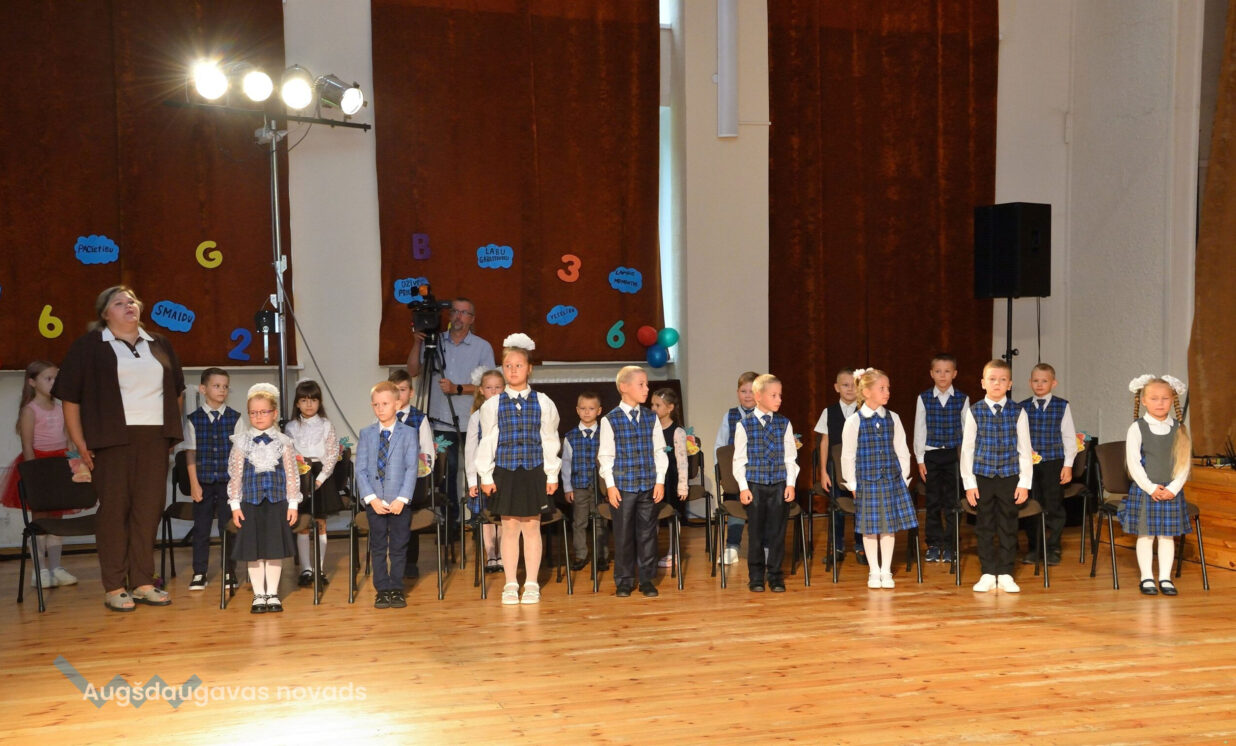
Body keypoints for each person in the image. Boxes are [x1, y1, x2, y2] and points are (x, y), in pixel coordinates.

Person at [54, 285, 186, 613]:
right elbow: (70, 399)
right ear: (105, 313)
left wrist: (170, 431)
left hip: (154, 438)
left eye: (132, 301)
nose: (129, 306)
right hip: (110, 438)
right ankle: (114, 585)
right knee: (114, 511)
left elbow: (177, 391)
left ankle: (142, 581)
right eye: (119, 302)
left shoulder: (160, 343)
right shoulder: (89, 346)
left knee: (148, 510)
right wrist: (80, 443)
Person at [475, 334, 561, 605]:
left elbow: (550, 439)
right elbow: (488, 441)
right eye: (508, 366)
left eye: (519, 365)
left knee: (532, 527)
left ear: (529, 368)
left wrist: (552, 474)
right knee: (510, 527)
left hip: (534, 470)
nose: (513, 370)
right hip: (506, 471)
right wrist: (486, 475)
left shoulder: (543, 402)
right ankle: (511, 582)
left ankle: (532, 582)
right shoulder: (493, 404)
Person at [406, 297, 496, 537]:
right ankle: (450, 524)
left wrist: (458, 388)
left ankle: (480, 520)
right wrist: (416, 343)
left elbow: (491, 386)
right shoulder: (433, 342)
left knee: (479, 470)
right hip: (440, 420)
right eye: (455, 311)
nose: (458, 316)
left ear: (472, 319)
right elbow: (413, 370)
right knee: (447, 473)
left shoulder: (482, 347)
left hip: (473, 420)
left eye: (464, 313)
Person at [1, 361, 81, 588]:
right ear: (32, 382)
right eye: (48, 379)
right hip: (39, 466)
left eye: (56, 378)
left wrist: (75, 465)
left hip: (60, 465)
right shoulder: (30, 410)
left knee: (57, 518)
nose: (54, 383)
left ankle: (56, 567)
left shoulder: (62, 407)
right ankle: (40, 570)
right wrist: (34, 478)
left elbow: (69, 441)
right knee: (40, 519)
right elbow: (27, 446)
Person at [840, 368, 917, 589]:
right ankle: (874, 570)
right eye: (882, 388)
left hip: (891, 480)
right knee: (870, 527)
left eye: (888, 388)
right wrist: (852, 484)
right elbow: (848, 455)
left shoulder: (893, 418)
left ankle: (886, 570)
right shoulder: (854, 421)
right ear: (866, 391)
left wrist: (903, 477)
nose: (887, 392)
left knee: (888, 527)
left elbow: (902, 450)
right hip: (867, 482)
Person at [961, 359, 1033, 593]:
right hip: (982, 477)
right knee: (984, 525)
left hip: (1009, 477)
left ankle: (1005, 572)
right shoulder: (974, 411)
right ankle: (987, 572)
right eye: (992, 379)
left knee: (1008, 525)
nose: (997, 383)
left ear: (1009, 384)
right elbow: (968, 449)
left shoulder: (1018, 412)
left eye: (1002, 380)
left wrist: (1024, 482)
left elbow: (1025, 449)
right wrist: (969, 483)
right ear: (983, 383)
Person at [227, 384, 301, 614]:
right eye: (253, 412)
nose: (258, 417)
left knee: (274, 550)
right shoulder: (242, 442)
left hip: (277, 502)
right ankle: (259, 594)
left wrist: (293, 504)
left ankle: (273, 594)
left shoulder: (283, 442)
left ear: (274, 413)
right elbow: (235, 475)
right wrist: (235, 505)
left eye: (263, 412)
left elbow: (291, 475)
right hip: (250, 503)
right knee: (255, 551)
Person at [1120, 375, 1192, 597]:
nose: (1160, 403)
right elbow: (1133, 463)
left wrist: (1173, 488)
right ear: (1144, 401)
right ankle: (1146, 577)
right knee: (1146, 534)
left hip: (1171, 491)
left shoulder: (1179, 428)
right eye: (1154, 398)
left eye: (1165, 398)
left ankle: (1165, 578)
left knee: (1166, 536)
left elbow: (1184, 463)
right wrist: (1150, 488)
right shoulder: (1137, 428)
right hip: (1146, 491)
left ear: (1172, 400)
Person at [599, 366, 668, 598]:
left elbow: (659, 451)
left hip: (648, 484)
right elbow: (606, 456)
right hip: (623, 487)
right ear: (624, 387)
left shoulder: (651, 417)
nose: (646, 389)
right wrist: (610, 485)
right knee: (623, 535)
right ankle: (624, 580)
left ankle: (647, 579)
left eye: (647, 384)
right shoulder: (610, 420)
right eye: (641, 384)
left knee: (648, 534)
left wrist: (659, 481)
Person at [356, 381, 421, 609]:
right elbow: (360, 469)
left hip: (399, 502)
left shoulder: (409, 434)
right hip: (375, 502)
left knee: (399, 546)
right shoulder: (366, 434)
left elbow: (412, 468)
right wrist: (371, 498)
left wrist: (402, 499)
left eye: (385, 404)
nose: (380, 408)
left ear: (398, 404)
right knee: (378, 546)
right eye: (376, 404)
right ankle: (382, 589)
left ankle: (396, 588)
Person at [733, 374, 798, 593]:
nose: (779, 399)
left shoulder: (784, 423)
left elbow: (790, 457)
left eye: (780, 395)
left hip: (779, 484)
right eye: (774, 395)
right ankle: (756, 576)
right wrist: (743, 487)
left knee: (777, 533)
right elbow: (739, 460)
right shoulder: (744, 425)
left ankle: (776, 575)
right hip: (755, 485)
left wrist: (790, 484)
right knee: (756, 534)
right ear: (758, 396)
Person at [181, 367, 243, 592]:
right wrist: (194, 484)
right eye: (216, 386)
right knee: (201, 528)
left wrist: (237, 485)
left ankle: (229, 570)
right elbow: (190, 453)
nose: (222, 390)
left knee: (229, 527)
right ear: (203, 389)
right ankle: (200, 572)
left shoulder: (235, 418)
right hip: (203, 483)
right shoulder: (193, 419)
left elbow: (240, 454)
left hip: (228, 484)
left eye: (225, 386)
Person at [284, 379, 342, 588]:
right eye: (304, 400)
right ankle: (306, 569)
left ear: (319, 402)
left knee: (320, 522)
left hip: (321, 476)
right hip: (300, 475)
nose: (309, 404)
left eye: (313, 400)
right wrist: (300, 478)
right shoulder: (291, 427)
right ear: (297, 403)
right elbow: (289, 454)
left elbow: (332, 454)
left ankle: (319, 569)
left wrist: (320, 479)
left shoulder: (326, 425)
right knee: (303, 524)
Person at [1017, 364, 1077, 566]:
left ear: (1054, 383)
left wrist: (1068, 465)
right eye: (1036, 380)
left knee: (1053, 505)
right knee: (1031, 504)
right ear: (1030, 383)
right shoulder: (1022, 407)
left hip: (1054, 463)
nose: (1040, 384)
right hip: (1029, 465)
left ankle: (1053, 547)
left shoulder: (1062, 406)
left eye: (1044, 381)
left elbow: (1069, 437)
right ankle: (1034, 547)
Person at [914, 354, 969, 564]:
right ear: (931, 374)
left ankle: (951, 544)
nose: (942, 375)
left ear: (954, 374)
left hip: (954, 455)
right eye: (938, 371)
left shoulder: (962, 398)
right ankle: (934, 543)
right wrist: (920, 459)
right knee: (933, 501)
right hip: (932, 456)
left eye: (947, 371)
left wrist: (966, 461)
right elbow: (920, 429)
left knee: (953, 502)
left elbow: (967, 431)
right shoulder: (924, 398)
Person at [389, 368, 437, 579]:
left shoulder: (419, 419)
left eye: (402, 389)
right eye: (394, 390)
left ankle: (410, 562)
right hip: (389, 482)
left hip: (413, 481)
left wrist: (417, 475)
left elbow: (427, 453)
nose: (398, 394)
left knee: (409, 514)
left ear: (411, 392)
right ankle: (394, 560)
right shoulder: (382, 417)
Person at [813, 368, 864, 565]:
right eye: (845, 385)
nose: (850, 389)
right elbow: (824, 442)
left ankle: (861, 546)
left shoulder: (865, 410)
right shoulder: (829, 412)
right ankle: (837, 547)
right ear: (836, 387)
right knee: (837, 508)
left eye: (854, 385)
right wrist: (823, 471)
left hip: (859, 470)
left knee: (861, 507)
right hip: (835, 470)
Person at [713, 371, 759, 565]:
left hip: (759, 475)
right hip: (735, 475)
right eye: (743, 391)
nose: (747, 395)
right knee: (734, 503)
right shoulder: (730, 416)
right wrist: (721, 473)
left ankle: (762, 548)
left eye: (752, 391)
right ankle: (732, 547)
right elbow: (720, 446)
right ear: (737, 392)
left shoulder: (766, 416)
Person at [463, 368, 506, 573]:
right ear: (481, 390)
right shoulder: (476, 417)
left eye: (498, 387)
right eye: (489, 388)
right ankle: (491, 554)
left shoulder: (508, 413)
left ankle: (503, 554)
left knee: (504, 516)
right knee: (487, 516)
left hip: (505, 473)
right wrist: (473, 481)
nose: (494, 391)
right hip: (484, 475)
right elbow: (470, 451)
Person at [561, 391, 605, 573]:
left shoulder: (605, 435)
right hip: (579, 486)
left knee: (600, 521)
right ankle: (580, 554)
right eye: (583, 408)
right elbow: (566, 464)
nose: (587, 412)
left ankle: (601, 555)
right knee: (579, 522)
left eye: (591, 408)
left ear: (599, 411)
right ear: (577, 410)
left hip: (600, 487)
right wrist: (567, 488)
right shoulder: (570, 436)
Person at [651, 388, 688, 568]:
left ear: (670, 407)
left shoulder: (677, 431)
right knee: (653, 517)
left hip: (671, 481)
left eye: (658, 405)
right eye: (652, 404)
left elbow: (682, 462)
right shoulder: (652, 429)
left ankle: (674, 553)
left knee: (672, 517)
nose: (653, 408)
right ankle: (650, 552)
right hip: (655, 480)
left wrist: (683, 485)